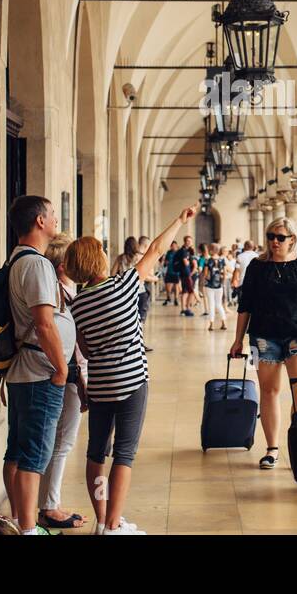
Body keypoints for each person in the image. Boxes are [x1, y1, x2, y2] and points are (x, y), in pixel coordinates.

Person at [66, 204, 198, 535]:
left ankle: (101, 520)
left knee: (96, 452)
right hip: (132, 381)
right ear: (97, 260)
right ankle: (113, 525)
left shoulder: (77, 305)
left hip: (99, 384)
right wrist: (179, 220)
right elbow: (155, 248)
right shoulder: (123, 285)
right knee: (124, 454)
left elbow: (81, 348)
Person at [228, 216, 297, 469]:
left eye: (280, 237)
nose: (275, 242)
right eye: (271, 237)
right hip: (262, 337)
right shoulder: (257, 266)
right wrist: (238, 340)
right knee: (269, 391)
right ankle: (272, 449)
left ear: (292, 239)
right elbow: (245, 305)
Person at [1, 195, 69, 535]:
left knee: (17, 449)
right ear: (40, 221)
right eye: (52, 214)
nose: (56, 219)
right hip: (40, 373)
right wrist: (61, 369)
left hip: (22, 371)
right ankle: (28, 529)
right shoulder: (37, 264)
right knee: (34, 454)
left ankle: (16, 519)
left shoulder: (16, 259)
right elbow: (44, 323)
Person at [37, 233, 89, 530]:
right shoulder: (58, 294)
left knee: (57, 441)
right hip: (64, 373)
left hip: (66, 373)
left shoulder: (63, 292)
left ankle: (49, 502)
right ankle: (49, 506)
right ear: (62, 266)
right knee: (62, 442)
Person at [202, 245, 229, 330]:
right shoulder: (222, 260)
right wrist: (222, 282)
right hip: (219, 285)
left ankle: (211, 324)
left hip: (210, 285)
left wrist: (205, 279)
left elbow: (206, 274)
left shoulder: (208, 260)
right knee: (219, 304)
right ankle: (224, 323)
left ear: (211, 250)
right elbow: (225, 273)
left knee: (211, 304)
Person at [177, 236, 197, 316]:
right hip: (186, 274)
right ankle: (187, 308)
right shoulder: (184, 251)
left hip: (187, 274)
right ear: (185, 241)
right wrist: (191, 263)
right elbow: (186, 263)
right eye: (188, 241)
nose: (189, 242)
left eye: (190, 241)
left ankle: (183, 309)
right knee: (191, 292)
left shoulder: (188, 251)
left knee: (185, 291)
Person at [163, 241, 181, 305]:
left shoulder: (179, 252)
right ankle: (168, 298)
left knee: (176, 286)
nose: (173, 246)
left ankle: (176, 299)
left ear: (176, 246)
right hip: (169, 271)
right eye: (172, 245)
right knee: (167, 286)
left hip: (176, 272)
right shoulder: (169, 252)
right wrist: (165, 262)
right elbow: (166, 261)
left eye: (174, 245)